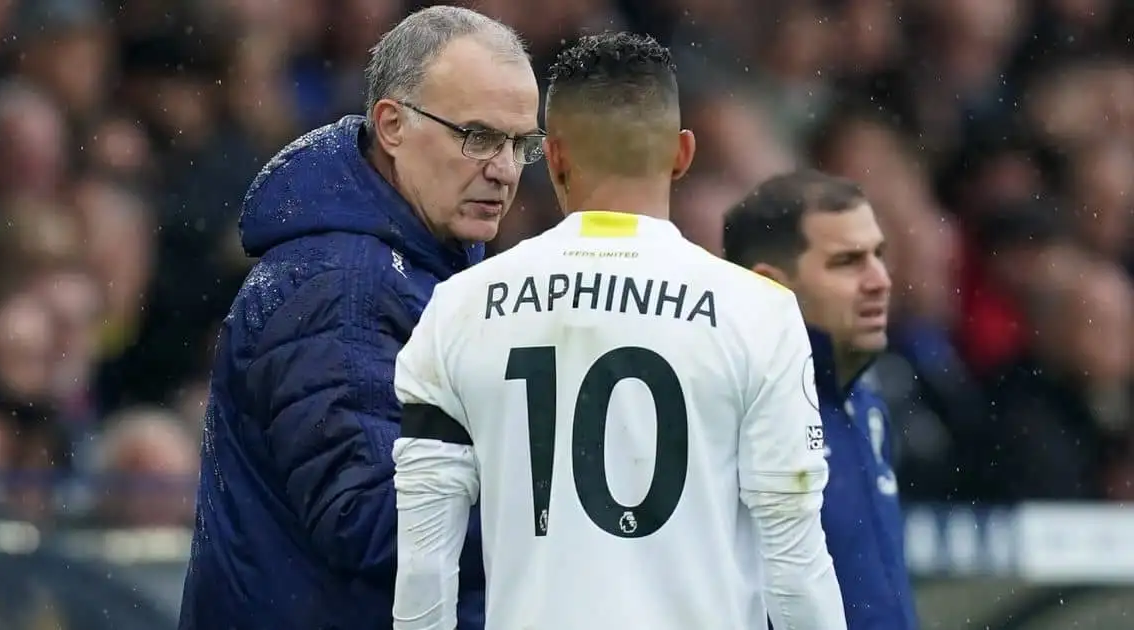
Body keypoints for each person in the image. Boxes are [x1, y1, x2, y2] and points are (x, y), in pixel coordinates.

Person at [391, 32, 847, 630]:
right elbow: (794, 560)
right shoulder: (759, 314)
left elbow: (424, 572)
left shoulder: (457, 309)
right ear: (683, 154)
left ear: (553, 155)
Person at [177, 6, 541, 630]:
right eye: (477, 136)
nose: (504, 170)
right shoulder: (341, 288)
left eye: (520, 144)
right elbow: (372, 524)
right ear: (392, 125)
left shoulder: (416, 263)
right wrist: (558, 496)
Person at [723, 170, 919, 630]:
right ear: (770, 287)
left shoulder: (869, 407)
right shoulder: (733, 416)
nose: (880, 280)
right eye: (848, 262)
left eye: (879, 255)